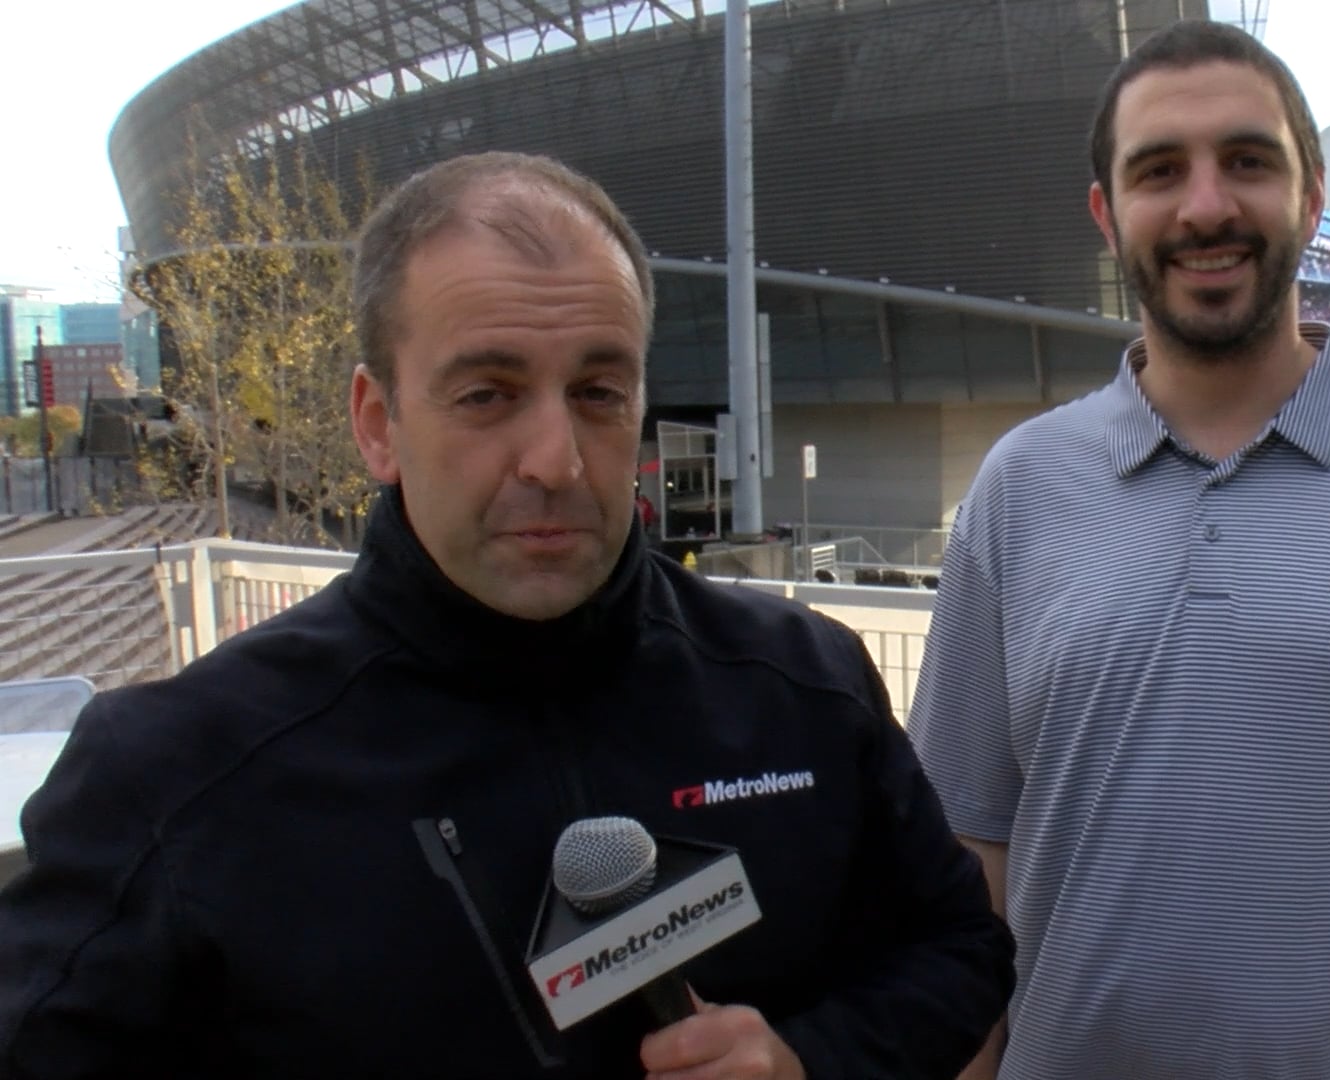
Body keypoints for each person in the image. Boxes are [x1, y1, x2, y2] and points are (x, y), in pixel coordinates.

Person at [0, 152, 1013, 1078]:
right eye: (488, 394)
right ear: (377, 423)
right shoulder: (175, 775)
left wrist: (808, 1061)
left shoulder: (804, 684)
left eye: (598, 392)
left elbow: (960, 953)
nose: (556, 459)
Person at [907, 21, 1330, 1080]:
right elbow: (973, 857)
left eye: (1247, 161)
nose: (1205, 206)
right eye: (1158, 171)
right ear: (1108, 215)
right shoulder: (1018, 490)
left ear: (1311, 195)